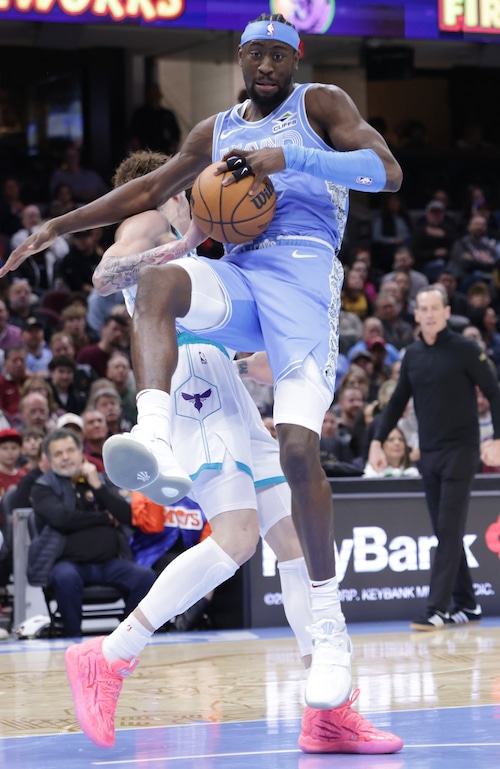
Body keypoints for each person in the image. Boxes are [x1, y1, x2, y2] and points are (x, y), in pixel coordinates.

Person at [0, 11, 403, 719]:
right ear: (240, 60)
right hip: (241, 287)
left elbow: (386, 171)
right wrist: (58, 225)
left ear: (297, 58)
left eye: (281, 55)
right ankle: (152, 434)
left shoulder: (320, 106)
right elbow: (145, 194)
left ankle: (331, 659)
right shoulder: (214, 132)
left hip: (306, 285)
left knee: (296, 464)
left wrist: (293, 159)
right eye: (257, 56)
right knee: (162, 286)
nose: (268, 66)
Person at [66, 147, 402, 754]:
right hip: (193, 388)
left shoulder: (193, 226)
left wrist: (251, 363)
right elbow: (106, 275)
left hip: (223, 380)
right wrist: (164, 248)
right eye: (178, 179)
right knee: (238, 538)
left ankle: (327, 714)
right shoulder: (147, 220)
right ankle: (109, 656)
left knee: (295, 545)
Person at [368, 285, 500, 630]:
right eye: (422, 308)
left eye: (434, 308)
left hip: (462, 451)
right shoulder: (411, 355)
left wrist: (497, 438)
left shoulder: (466, 350)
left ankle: (436, 608)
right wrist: (377, 441)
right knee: (446, 531)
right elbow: (396, 401)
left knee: (448, 527)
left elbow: (494, 392)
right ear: (416, 314)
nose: (428, 314)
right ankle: (468, 605)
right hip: (429, 453)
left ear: (445, 312)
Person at [29, 428, 156, 637]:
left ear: (81, 453)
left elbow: (126, 515)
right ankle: (72, 638)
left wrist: (98, 487)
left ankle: (125, 636)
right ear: (50, 460)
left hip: (110, 563)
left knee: (145, 577)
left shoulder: (101, 480)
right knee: (65, 578)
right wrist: (104, 518)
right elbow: (62, 519)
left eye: (70, 450)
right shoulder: (43, 486)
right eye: (58, 454)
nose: (66, 457)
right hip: (68, 563)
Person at [129, 83, 181, 155]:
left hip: (165, 153)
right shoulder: (140, 115)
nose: (155, 96)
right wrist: (142, 155)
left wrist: (173, 154)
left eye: (156, 93)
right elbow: (133, 137)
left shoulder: (167, 115)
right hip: (147, 155)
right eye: (153, 93)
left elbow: (176, 136)